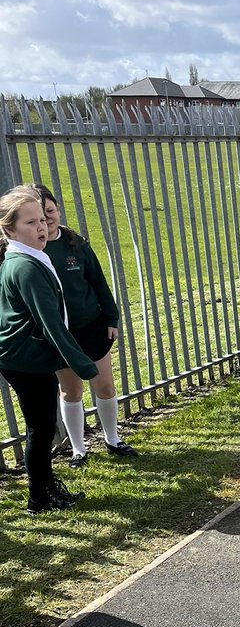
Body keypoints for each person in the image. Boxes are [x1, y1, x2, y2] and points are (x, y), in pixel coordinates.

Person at [0, 186, 98, 514]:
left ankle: (45, 487)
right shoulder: (25, 266)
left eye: (42, 220)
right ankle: (38, 498)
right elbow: (51, 324)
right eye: (30, 223)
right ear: (10, 229)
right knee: (40, 429)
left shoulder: (29, 256)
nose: (41, 227)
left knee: (42, 427)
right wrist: (83, 365)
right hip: (25, 360)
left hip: (29, 356)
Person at [31, 183, 136, 467]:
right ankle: (79, 449)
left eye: (50, 211)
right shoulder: (32, 251)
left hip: (91, 325)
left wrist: (111, 318)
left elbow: (98, 281)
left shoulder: (76, 242)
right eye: (39, 215)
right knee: (71, 391)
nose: (46, 219)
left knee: (105, 386)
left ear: (58, 210)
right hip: (60, 333)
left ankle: (113, 438)